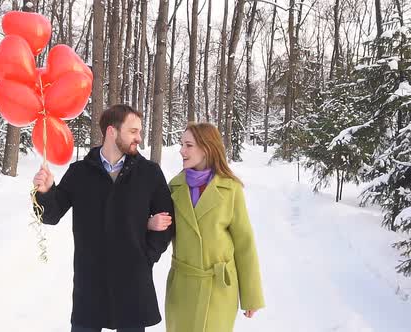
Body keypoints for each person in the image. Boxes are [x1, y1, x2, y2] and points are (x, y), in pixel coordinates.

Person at [33, 104, 174, 332]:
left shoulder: (149, 173)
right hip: (90, 285)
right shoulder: (79, 172)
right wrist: (46, 191)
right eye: (133, 131)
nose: (139, 137)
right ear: (112, 131)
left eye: (139, 131)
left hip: (132, 284)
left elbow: (167, 222)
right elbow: (50, 216)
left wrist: (146, 257)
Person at [148, 122, 265, 332]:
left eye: (189, 145)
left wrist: (251, 296)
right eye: (181, 144)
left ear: (207, 148)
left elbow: (244, 243)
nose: (182, 151)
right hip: (182, 288)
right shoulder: (174, 187)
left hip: (218, 288)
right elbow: (161, 230)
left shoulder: (230, 189)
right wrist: (149, 223)